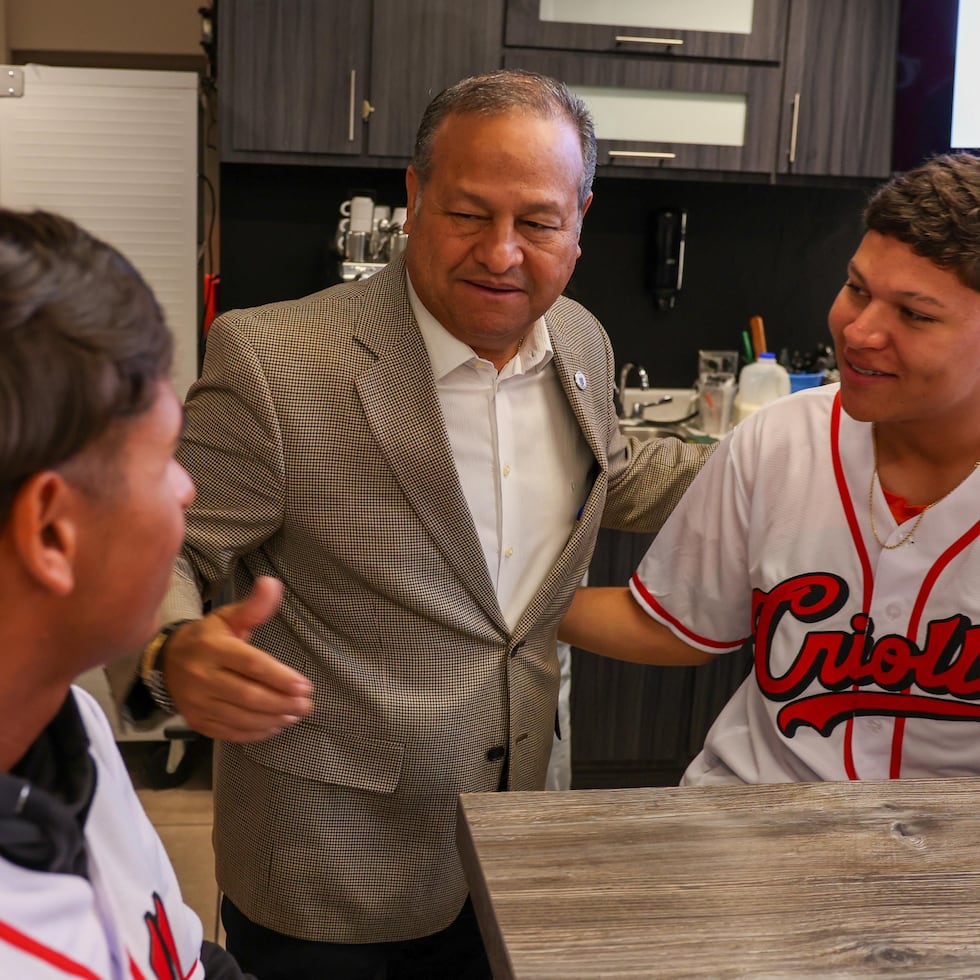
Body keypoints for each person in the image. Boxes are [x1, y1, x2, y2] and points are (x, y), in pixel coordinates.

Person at [115, 69, 711, 978]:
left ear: (581, 219)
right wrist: (171, 650)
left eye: (538, 222)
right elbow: (167, 539)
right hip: (327, 868)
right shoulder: (277, 360)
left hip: (514, 839)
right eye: (468, 213)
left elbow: (613, 477)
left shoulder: (580, 341)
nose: (502, 253)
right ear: (414, 195)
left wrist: (808, 447)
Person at [560, 152, 980, 787]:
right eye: (857, 289)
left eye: (915, 314)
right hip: (751, 822)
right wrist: (496, 605)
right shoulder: (782, 437)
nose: (860, 331)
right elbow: (680, 624)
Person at [0, 209, 254, 978]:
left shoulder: (65, 727)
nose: (187, 490)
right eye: (163, 458)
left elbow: (181, 958)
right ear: (52, 533)